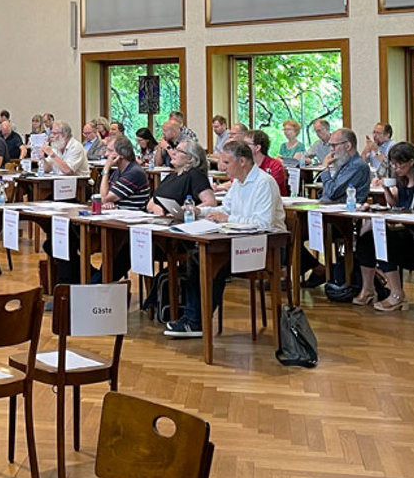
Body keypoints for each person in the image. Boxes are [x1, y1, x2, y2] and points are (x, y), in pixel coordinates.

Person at [165, 140, 283, 338]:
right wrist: (200, 212)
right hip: (236, 240)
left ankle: (196, 320)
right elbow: (225, 209)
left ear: (243, 161)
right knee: (196, 256)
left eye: (227, 163)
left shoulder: (264, 183)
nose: (222, 167)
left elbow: (264, 224)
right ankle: (194, 318)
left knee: (208, 261)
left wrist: (229, 219)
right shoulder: (238, 183)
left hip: (263, 246)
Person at [351, 142, 414, 311]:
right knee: (366, 240)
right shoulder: (402, 181)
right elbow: (394, 203)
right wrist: (386, 189)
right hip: (405, 230)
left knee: (384, 243)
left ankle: (397, 294)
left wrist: (398, 215)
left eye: (399, 164)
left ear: (411, 162)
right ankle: (368, 288)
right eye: (393, 164)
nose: (395, 168)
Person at [56, 135, 150, 286]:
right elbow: (105, 197)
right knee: (60, 241)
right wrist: (109, 201)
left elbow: (105, 197)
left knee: (72, 244)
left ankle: (89, 283)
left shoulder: (134, 172)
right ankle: (82, 280)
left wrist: (106, 169)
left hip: (128, 226)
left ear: (121, 154)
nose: (106, 154)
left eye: (109, 151)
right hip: (114, 219)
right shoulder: (119, 171)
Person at [299, 127, 372, 286]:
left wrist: (324, 169)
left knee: (294, 232)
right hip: (327, 213)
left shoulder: (357, 166)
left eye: (334, 145)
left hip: (340, 220)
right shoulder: (343, 164)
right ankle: (317, 268)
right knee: (289, 231)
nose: (331, 150)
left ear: (348, 146)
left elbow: (332, 191)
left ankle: (319, 270)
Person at [147, 139, 217, 214]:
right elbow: (151, 202)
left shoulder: (195, 175)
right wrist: (155, 208)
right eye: (175, 149)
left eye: (179, 151)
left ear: (190, 158)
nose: (173, 153)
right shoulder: (170, 176)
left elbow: (211, 203)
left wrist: (186, 211)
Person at [248, 130, 290, 196]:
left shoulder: (275, 166)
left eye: (246, 144)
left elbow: (268, 188)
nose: (242, 147)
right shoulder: (245, 165)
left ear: (257, 148)